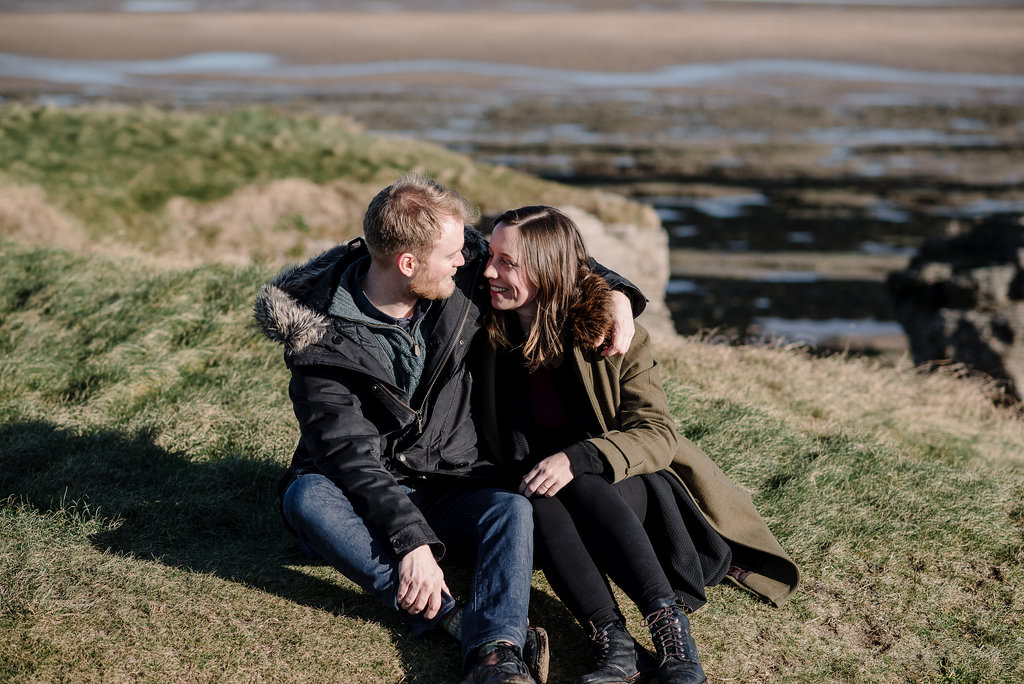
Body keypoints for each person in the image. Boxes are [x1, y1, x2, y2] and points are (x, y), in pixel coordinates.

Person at [253, 176, 642, 684]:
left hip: (452, 481)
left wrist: (616, 293)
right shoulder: (317, 340)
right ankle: (452, 621)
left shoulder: (460, 279)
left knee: (510, 508)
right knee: (305, 498)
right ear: (408, 264)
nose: (468, 263)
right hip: (358, 490)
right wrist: (410, 543)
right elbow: (348, 456)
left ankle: (495, 656)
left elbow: (549, 256)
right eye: (454, 254)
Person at [473, 206, 800, 684]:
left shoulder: (610, 333)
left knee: (574, 476)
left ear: (546, 268)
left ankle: (672, 636)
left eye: (507, 262)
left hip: (626, 485)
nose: (489, 270)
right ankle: (614, 644)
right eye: (491, 256)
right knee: (536, 493)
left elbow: (657, 432)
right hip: (543, 495)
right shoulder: (483, 331)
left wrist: (580, 456)